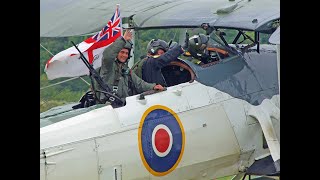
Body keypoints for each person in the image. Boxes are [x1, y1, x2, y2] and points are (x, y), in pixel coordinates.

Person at [94, 29, 164, 106]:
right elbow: (107, 56)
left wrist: (153, 86)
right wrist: (123, 40)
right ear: (117, 53)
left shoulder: (126, 70)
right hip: (108, 107)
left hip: (122, 106)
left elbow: (139, 84)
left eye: (126, 53)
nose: (124, 55)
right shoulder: (108, 67)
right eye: (122, 52)